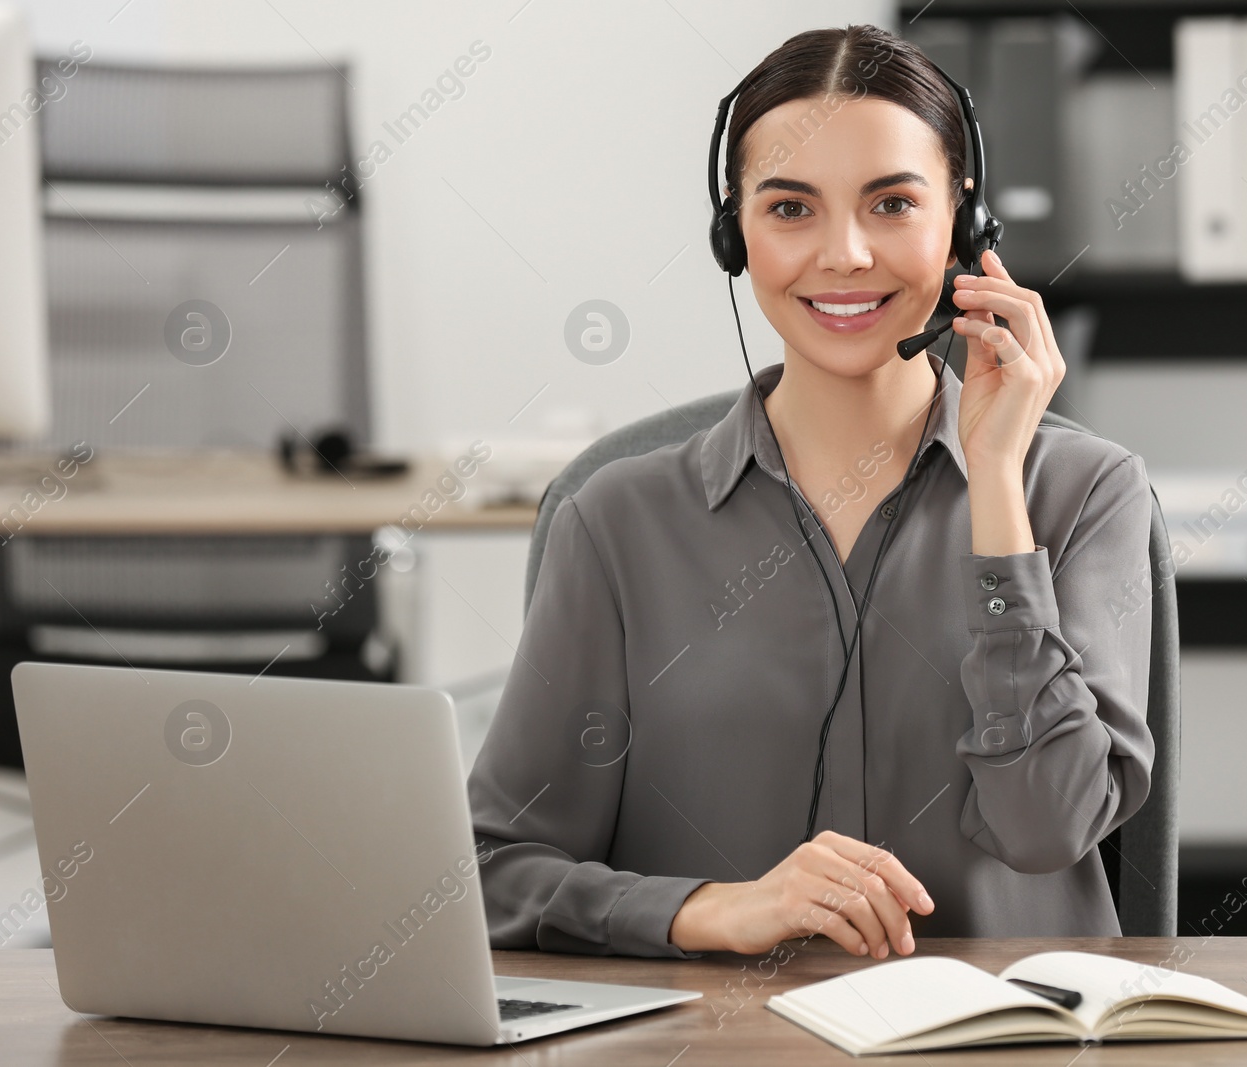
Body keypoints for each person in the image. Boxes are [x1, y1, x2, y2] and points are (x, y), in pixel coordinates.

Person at [468, 23, 1154, 962]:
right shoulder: (619, 519)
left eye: (892, 204)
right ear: (732, 234)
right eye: (790, 209)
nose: (844, 254)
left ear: (964, 221)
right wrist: (715, 909)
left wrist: (995, 487)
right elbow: (493, 869)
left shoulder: (1084, 493)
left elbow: (1045, 827)